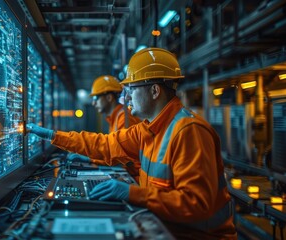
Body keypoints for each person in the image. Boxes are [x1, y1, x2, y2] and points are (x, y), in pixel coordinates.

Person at [27, 47, 237, 239]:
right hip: (166, 228)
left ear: (155, 91)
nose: (125, 98)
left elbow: (196, 205)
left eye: (132, 89)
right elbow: (105, 144)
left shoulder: (189, 132)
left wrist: (132, 193)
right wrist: (53, 136)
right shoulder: (148, 129)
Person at [67, 75, 141, 181]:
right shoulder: (115, 118)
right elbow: (112, 153)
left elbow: (120, 158)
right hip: (127, 174)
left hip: (134, 179)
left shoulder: (124, 118)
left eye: (96, 98)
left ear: (109, 98)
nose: (93, 103)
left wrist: (90, 159)